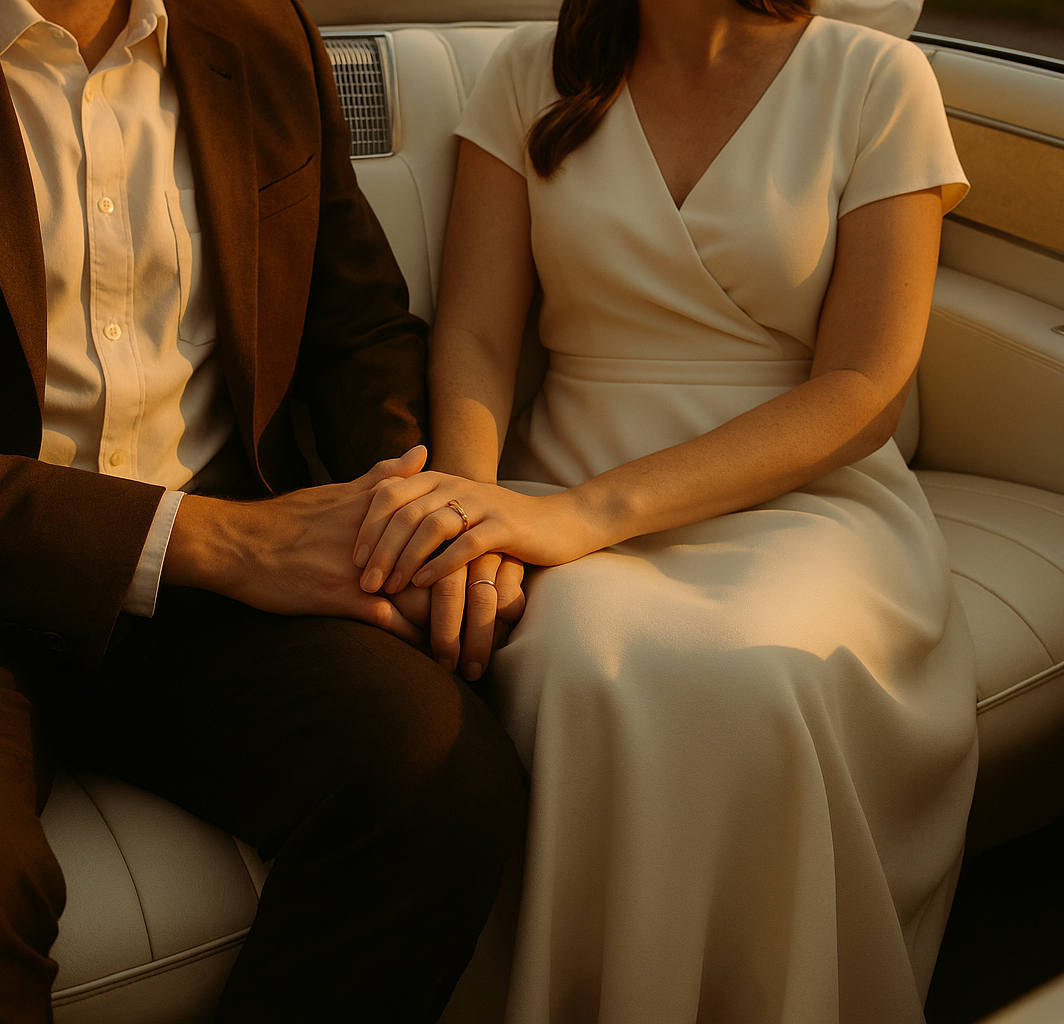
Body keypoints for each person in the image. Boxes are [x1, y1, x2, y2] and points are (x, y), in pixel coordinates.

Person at [0, 0, 527, 1020]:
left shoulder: (257, 28)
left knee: (442, 779)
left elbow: (354, 330)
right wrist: (203, 540)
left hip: (203, 593)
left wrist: (417, 511)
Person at [351, 0, 978, 1020]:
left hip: (803, 496)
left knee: (757, 674)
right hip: (556, 480)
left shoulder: (877, 81)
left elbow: (864, 388)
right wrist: (472, 511)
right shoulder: (528, 70)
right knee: (586, 666)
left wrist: (583, 519)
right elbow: (472, 334)